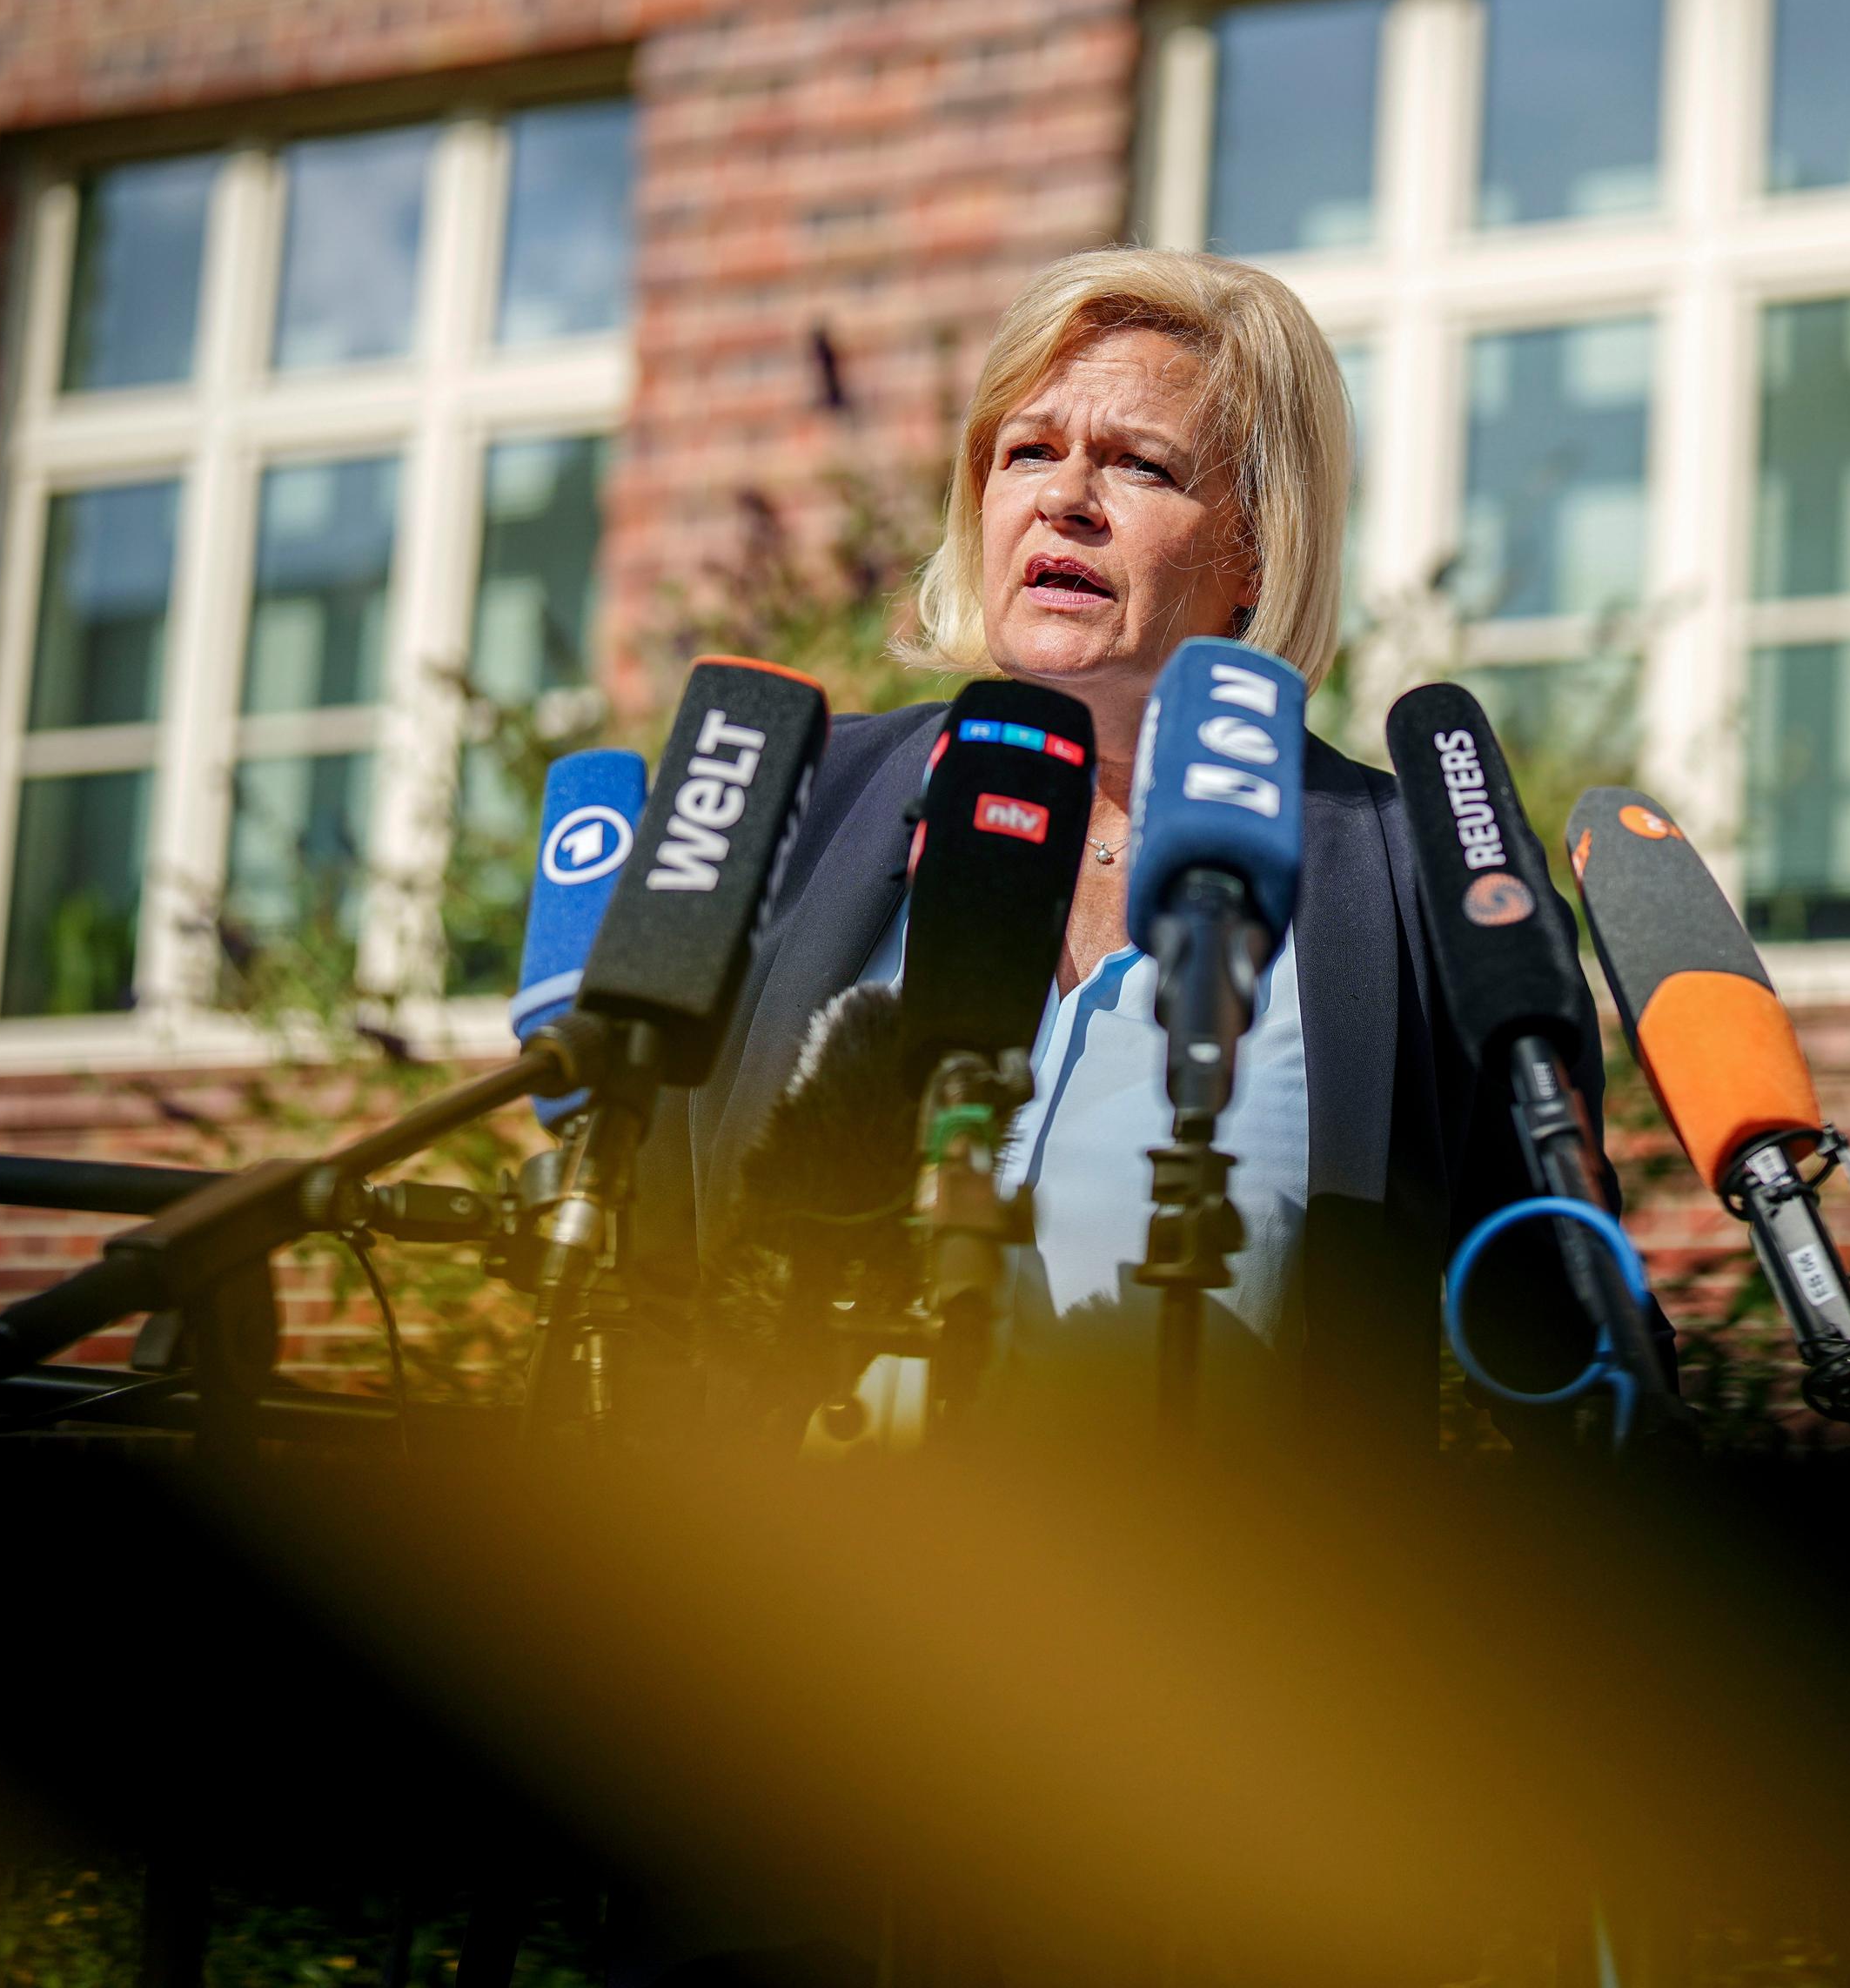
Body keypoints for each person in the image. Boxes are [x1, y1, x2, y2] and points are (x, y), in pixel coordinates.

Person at [623, 245, 1612, 1448]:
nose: (1064, 497)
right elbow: (655, 1270)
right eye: (1026, 451)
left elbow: (1556, 1355)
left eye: (1140, 465)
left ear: (1255, 548)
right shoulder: (803, 798)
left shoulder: (1415, 879)